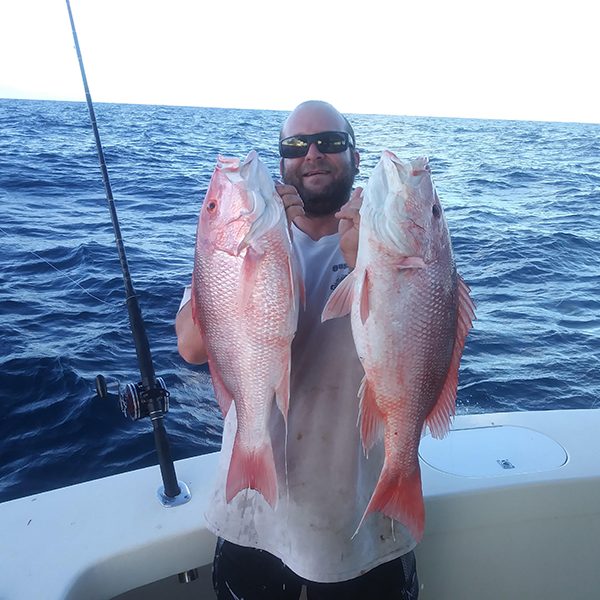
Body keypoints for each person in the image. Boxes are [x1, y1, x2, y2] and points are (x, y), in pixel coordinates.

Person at [176, 100, 419, 599]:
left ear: (354, 154)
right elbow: (192, 347)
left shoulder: (395, 241)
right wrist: (266, 255)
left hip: (362, 514)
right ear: (281, 160)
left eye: (330, 142)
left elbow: (420, 343)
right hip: (256, 514)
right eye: (295, 145)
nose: (312, 154)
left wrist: (364, 265)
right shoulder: (234, 247)